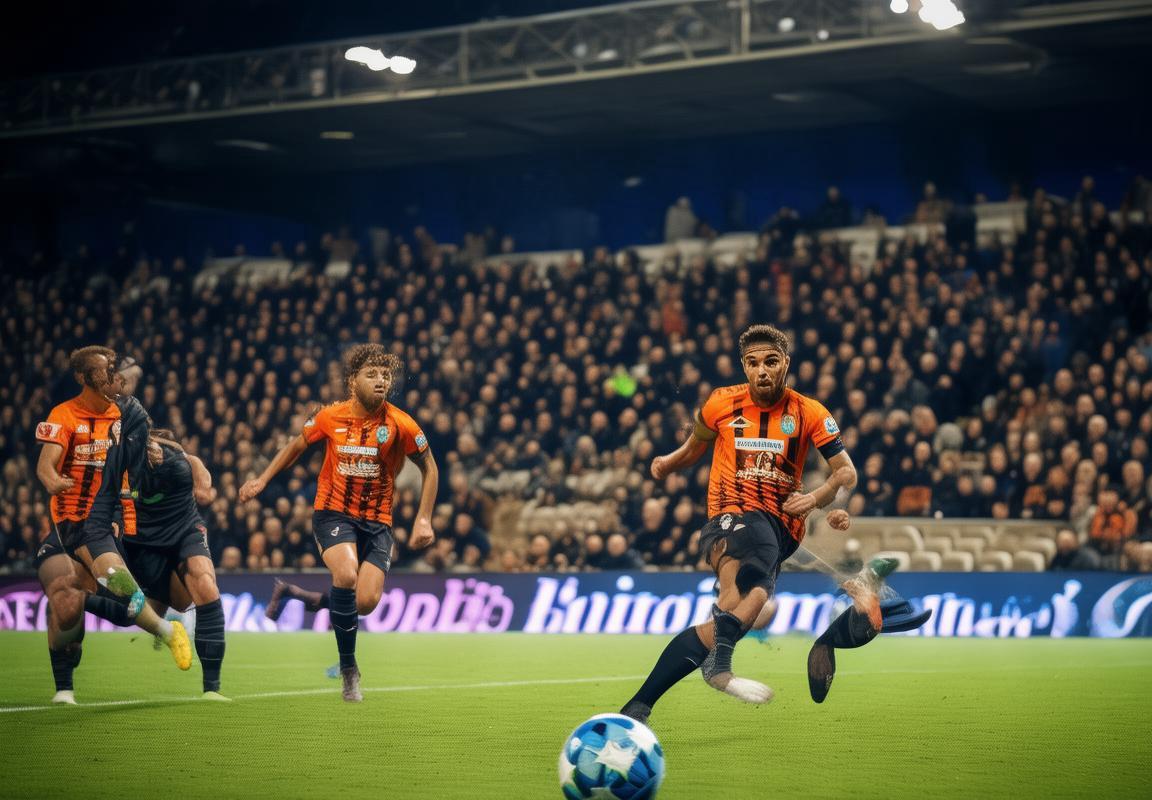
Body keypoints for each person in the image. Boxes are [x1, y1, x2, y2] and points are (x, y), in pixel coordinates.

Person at [620, 324, 878, 725]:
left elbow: (846, 472)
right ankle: (720, 667)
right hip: (731, 511)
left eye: (770, 362)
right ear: (744, 366)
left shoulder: (809, 412)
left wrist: (815, 497)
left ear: (785, 363)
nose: (762, 371)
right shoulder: (721, 403)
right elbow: (695, 447)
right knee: (754, 587)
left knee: (731, 609)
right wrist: (668, 462)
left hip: (781, 529)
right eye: (753, 363)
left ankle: (638, 706)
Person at [240, 344, 438, 702]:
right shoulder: (330, 417)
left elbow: (430, 467)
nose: (381, 381)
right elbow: (296, 446)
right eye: (371, 374)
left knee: (365, 602)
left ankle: (296, 595)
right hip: (333, 513)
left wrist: (423, 519)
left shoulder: (401, 423)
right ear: (352, 382)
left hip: (377, 521)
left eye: (386, 375)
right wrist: (262, 479)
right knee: (346, 575)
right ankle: (349, 669)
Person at [37, 346, 192, 704]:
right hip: (67, 525)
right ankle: (64, 688)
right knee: (65, 601)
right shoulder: (63, 415)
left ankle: (163, 628)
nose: (112, 375)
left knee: (121, 601)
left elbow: (146, 447)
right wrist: (53, 480)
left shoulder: (123, 414)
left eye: (112, 369)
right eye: (104, 370)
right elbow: (46, 464)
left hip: (103, 522)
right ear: (83, 377)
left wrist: (163, 453)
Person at [121, 427, 229, 700]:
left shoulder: (185, 462)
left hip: (184, 529)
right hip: (144, 543)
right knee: (145, 611)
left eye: (162, 448)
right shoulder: (127, 465)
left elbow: (205, 494)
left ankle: (212, 688)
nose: (157, 452)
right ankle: (166, 627)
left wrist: (194, 467)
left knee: (206, 585)